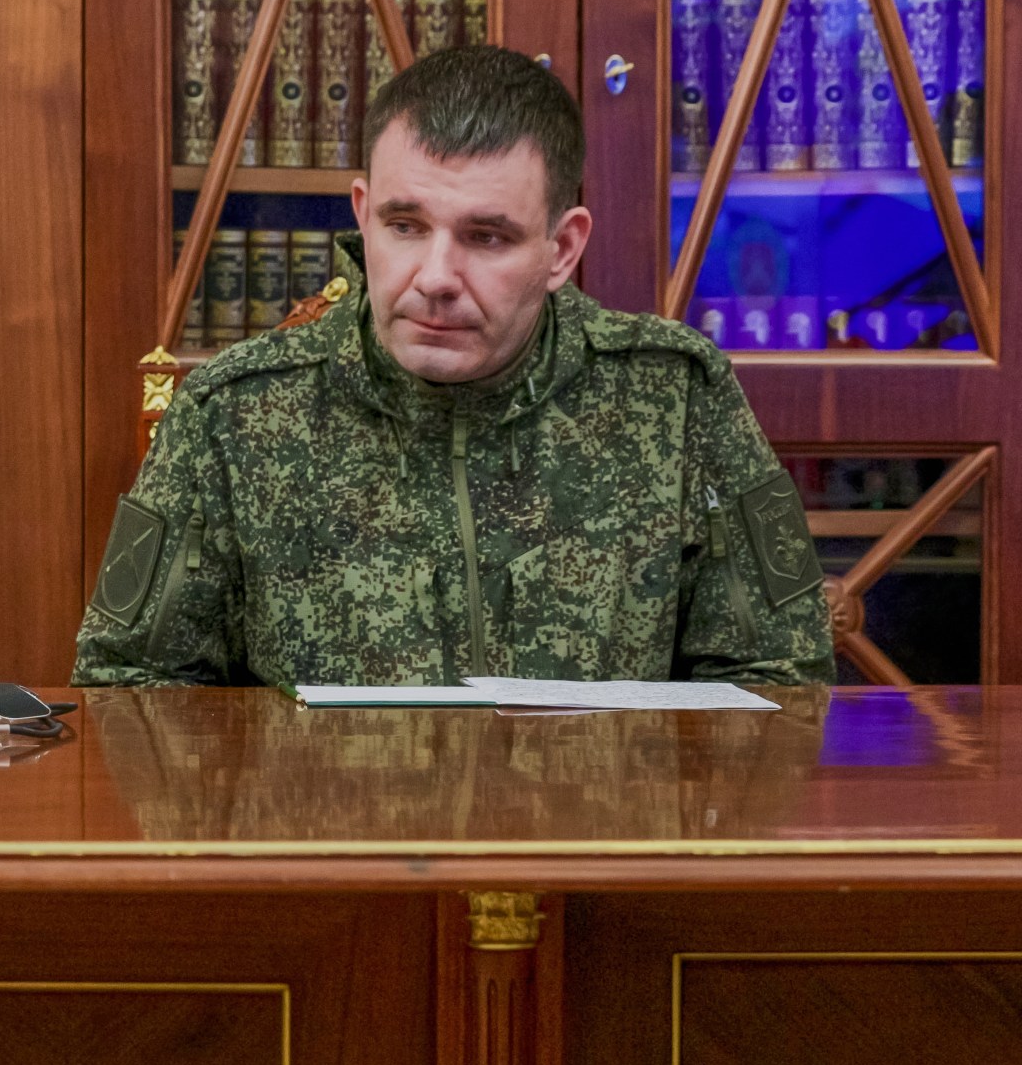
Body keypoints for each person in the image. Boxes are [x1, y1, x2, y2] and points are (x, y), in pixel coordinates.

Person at [75, 46, 835, 688]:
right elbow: (128, 688)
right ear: (362, 213)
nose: (436, 275)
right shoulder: (232, 415)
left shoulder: (676, 398)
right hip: (329, 855)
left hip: (597, 853)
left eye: (487, 237)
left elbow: (783, 678)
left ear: (562, 249)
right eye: (405, 226)